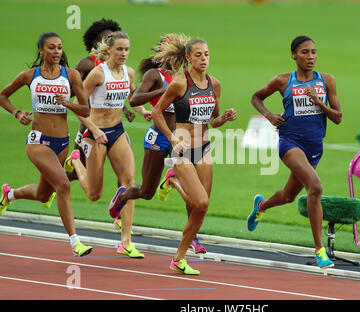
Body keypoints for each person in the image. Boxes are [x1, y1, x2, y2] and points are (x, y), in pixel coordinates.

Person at [246, 35, 342, 269]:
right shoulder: (282, 81)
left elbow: (338, 118)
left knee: (289, 196)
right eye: (305, 52)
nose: (310, 57)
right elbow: (256, 97)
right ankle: (320, 250)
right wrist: (269, 115)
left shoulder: (326, 81)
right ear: (294, 55)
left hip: (314, 146)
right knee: (315, 187)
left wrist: (318, 102)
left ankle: (261, 206)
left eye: (314, 52)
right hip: (289, 142)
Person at [108, 34, 208, 255]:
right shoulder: (156, 75)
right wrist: (165, 92)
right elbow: (134, 100)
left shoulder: (187, 77)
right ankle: (123, 196)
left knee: (195, 191)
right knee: (147, 191)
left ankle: (193, 237)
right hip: (158, 137)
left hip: (181, 141)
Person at [0, 32, 92, 256]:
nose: (57, 52)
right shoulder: (30, 76)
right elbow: (3, 95)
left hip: (62, 142)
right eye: (52, 48)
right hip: (38, 141)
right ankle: (75, 241)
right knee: (64, 185)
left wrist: (68, 104)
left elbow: (86, 109)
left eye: (60, 48)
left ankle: (8, 195)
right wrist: (17, 113)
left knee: (43, 194)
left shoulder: (71, 76)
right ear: (41, 50)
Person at [152, 37, 237, 275]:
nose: (203, 59)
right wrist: (171, 138)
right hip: (182, 150)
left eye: (207, 54)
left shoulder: (214, 84)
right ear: (188, 58)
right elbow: (157, 112)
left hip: (204, 149)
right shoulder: (180, 84)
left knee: (200, 208)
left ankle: (179, 258)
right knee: (200, 202)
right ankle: (174, 179)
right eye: (198, 55)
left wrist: (225, 117)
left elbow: (213, 121)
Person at [65, 31, 152, 258]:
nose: (124, 54)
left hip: (117, 132)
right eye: (119, 49)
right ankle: (75, 161)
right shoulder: (97, 74)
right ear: (109, 50)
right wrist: (93, 130)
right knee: (94, 194)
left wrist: (144, 111)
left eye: (127, 49)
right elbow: (77, 106)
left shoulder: (128, 72)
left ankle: (126, 240)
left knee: (129, 183)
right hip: (94, 135)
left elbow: (132, 96)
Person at [68, 18, 135, 183]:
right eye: (105, 39)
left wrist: (125, 108)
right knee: (78, 174)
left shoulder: (118, 66)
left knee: (126, 171)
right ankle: (53, 184)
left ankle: (122, 199)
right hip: (88, 125)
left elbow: (115, 93)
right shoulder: (87, 65)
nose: (108, 42)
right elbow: (73, 92)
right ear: (95, 41)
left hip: (113, 126)